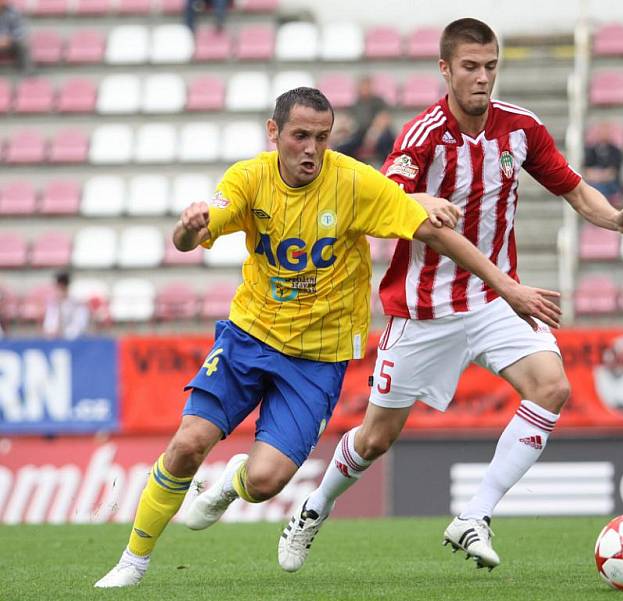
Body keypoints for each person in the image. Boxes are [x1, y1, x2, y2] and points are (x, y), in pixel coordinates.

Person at [94, 86, 562, 588]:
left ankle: (233, 482)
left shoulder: (354, 184)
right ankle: (132, 562)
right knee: (188, 443)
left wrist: (507, 287)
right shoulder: (248, 179)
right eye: (300, 136)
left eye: (321, 137)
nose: (312, 149)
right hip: (250, 338)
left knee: (266, 481)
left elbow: (434, 233)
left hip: (318, 359)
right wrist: (188, 229)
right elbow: (191, 236)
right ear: (274, 133)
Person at [275, 19, 623, 573]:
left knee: (551, 388)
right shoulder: (420, 137)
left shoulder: (520, 129)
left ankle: (474, 516)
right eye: (470, 68)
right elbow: (388, 210)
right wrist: (421, 205)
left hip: (495, 302)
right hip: (425, 310)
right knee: (376, 439)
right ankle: (313, 509)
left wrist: (616, 221)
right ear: (445, 70)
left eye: (491, 67)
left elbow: (574, 189)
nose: (483, 79)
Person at [335, 76, 396, 165]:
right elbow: (350, 122)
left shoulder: (378, 101)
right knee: (343, 147)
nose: (365, 89)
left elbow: (383, 119)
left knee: (385, 143)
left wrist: (373, 134)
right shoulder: (357, 103)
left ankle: (387, 168)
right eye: (363, 86)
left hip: (379, 132)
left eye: (367, 86)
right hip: (361, 133)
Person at [583, 121, 623, 205]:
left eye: (605, 132)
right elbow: (587, 171)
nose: (603, 134)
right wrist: (598, 176)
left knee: (601, 189)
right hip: (594, 182)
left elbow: (612, 173)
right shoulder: (591, 150)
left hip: (610, 185)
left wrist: (599, 176)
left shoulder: (615, 151)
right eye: (600, 132)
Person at [42, 271, 90, 340]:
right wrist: (51, 331)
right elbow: (49, 324)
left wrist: (65, 334)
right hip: (55, 341)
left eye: (62, 286)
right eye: (58, 286)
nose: (60, 289)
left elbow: (80, 325)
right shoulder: (53, 303)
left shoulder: (77, 303)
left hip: (73, 341)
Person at [0, 0, 33, 74]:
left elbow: (21, 31)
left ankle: (27, 75)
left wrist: (9, 39)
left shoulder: (14, 12)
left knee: (23, 45)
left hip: (10, 42)